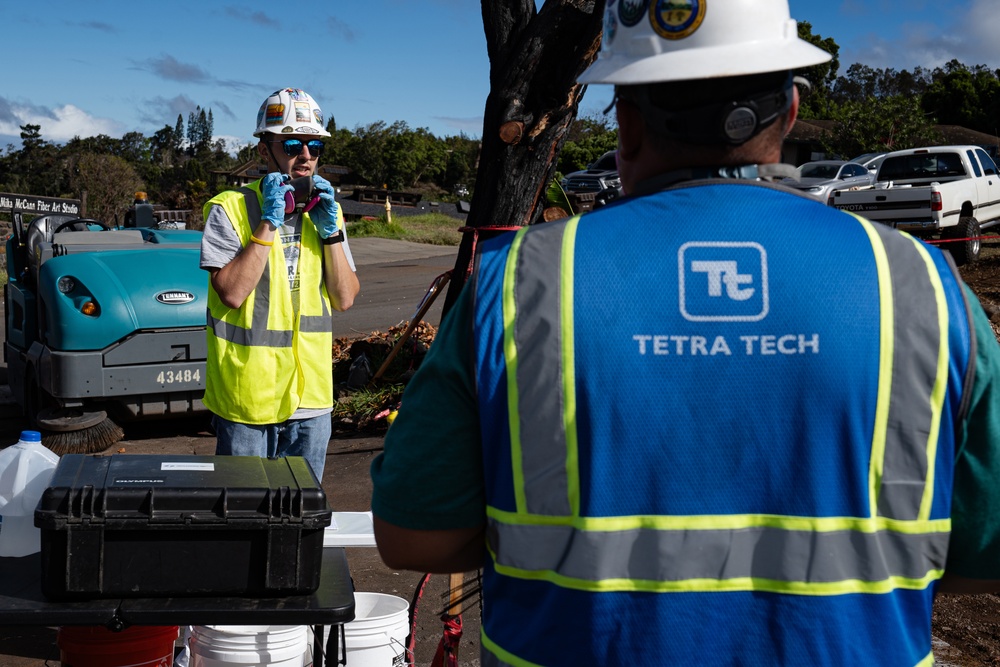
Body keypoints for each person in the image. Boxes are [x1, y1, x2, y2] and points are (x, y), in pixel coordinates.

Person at [370, 1, 1000, 664]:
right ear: (787, 113)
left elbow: (415, 538)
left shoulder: (518, 284)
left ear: (628, 122)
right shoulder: (923, 287)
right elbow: (983, 558)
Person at [200, 88, 359, 481]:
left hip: (311, 401)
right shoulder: (229, 209)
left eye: (314, 146)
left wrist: (332, 235)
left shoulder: (326, 213)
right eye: (291, 144)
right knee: (243, 513)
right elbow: (233, 292)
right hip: (248, 401)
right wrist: (268, 222)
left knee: (301, 515)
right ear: (263, 151)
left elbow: (344, 298)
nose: (305, 156)